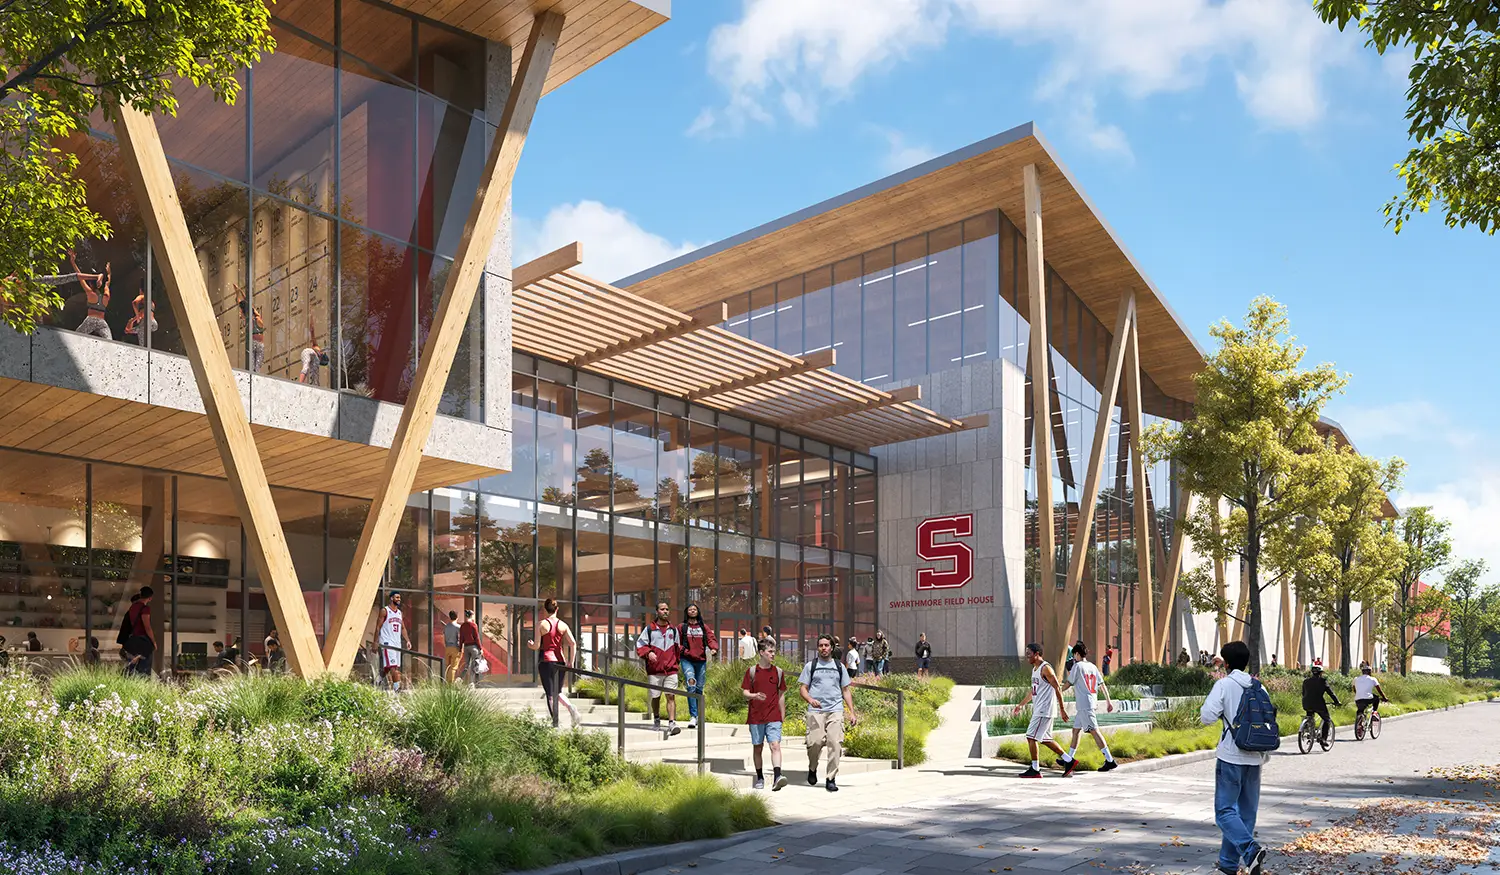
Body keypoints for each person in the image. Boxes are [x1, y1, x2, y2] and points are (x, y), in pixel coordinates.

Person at [1200, 641, 1269, 875]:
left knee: (1225, 812)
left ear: (1226, 663)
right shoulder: (1259, 687)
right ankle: (1228, 866)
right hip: (1256, 756)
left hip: (1231, 755)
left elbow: (1207, 716)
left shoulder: (1224, 684)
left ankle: (1250, 851)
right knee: (1246, 814)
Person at [799, 634, 858, 792]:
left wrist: (851, 712)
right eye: (821, 645)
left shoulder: (839, 667)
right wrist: (810, 700)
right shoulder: (811, 666)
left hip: (835, 710)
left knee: (835, 743)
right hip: (816, 711)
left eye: (826, 645)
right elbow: (803, 688)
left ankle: (831, 778)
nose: (823, 648)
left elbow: (846, 690)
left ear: (832, 647)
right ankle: (812, 768)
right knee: (814, 743)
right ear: (818, 648)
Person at [1058, 642, 1118, 775]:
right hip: (1087, 704)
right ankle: (1069, 758)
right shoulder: (1092, 666)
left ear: (1077, 654)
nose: (1073, 657)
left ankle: (1110, 760)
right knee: (1075, 731)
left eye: (1074, 654)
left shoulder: (1077, 666)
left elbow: (1068, 683)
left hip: (1085, 705)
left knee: (1095, 731)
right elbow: (1102, 685)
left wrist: (1058, 691)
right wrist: (1108, 701)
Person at [1012, 642, 1069, 778]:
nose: (1027, 657)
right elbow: (1033, 692)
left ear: (1037, 654)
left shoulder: (1046, 668)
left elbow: (1057, 688)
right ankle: (1069, 760)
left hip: (1044, 709)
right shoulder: (1035, 669)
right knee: (1044, 738)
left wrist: (1062, 709)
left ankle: (1035, 769)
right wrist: (1021, 705)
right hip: (1040, 709)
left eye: (1029, 654)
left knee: (1031, 736)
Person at [742, 637, 789, 791]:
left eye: (774, 652)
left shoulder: (778, 672)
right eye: (770, 652)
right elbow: (745, 692)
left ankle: (777, 776)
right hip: (756, 716)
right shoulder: (752, 671)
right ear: (761, 653)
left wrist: (782, 714)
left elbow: (781, 695)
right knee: (758, 747)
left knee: (775, 745)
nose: (773, 654)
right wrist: (755, 696)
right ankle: (760, 777)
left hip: (773, 715)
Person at [527, 598, 581, 728]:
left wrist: (530, 645)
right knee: (558, 692)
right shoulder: (563, 625)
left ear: (545, 610)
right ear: (557, 609)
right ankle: (570, 707)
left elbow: (537, 646)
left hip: (546, 661)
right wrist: (571, 661)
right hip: (560, 661)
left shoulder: (541, 624)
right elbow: (573, 643)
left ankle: (555, 723)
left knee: (550, 695)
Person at [636, 601, 683, 737]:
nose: (665, 611)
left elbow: (677, 649)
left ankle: (672, 723)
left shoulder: (673, 630)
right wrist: (648, 653)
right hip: (654, 671)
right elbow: (640, 645)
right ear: (657, 611)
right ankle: (656, 718)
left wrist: (676, 664)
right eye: (662, 609)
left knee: (670, 696)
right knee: (655, 697)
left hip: (671, 670)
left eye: (667, 609)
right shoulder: (649, 629)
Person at [678, 602, 717, 729]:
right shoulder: (682, 627)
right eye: (690, 609)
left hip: (701, 660)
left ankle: (700, 715)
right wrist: (684, 651)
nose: (693, 611)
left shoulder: (703, 627)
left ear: (698, 612)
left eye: (695, 609)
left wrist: (713, 648)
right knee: (691, 684)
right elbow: (676, 642)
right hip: (686, 659)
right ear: (687, 612)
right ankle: (693, 716)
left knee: (699, 687)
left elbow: (711, 638)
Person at [71, 251, 112, 339]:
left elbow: (80, 277)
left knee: (75, 337)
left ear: (90, 284)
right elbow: (108, 283)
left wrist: (73, 262)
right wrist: (109, 273)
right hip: (102, 322)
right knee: (109, 341)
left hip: (91, 320)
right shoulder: (106, 296)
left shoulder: (90, 294)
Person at [377, 592, 412, 692]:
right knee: (393, 668)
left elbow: (403, 628)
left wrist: (408, 640)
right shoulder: (385, 611)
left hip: (397, 643)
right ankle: (397, 690)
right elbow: (378, 627)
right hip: (387, 643)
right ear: (391, 598)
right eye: (397, 597)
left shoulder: (400, 613)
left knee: (390, 667)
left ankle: (378, 680)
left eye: (399, 597)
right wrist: (375, 642)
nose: (399, 599)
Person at [1300, 660, 1339, 748]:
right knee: (1327, 719)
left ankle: (1309, 730)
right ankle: (1323, 739)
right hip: (1319, 704)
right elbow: (1330, 693)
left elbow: (1303, 693)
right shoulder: (1322, 681)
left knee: (1310, 715)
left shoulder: (1305, 681)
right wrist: (1337, 701)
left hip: (1306, 703)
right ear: (1321, 673)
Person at [124, 587, 156, 677]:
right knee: (144, 669)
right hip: (143, 640)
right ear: (150, 598)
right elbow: (147, 626)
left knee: (132, 666)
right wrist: (153, 641)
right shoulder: (145, 609)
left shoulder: (132, 607)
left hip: (133, 639)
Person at [298, 313, 326, 385]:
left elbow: (316, 373)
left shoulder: (317, 360)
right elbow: (312, 332)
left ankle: (314, 384)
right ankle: (300, 383)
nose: (322, 353)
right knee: (306, 367)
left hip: (310, 355)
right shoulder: (316, 348)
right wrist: (311, 320)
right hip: (308, 352)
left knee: (313, 372)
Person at [1353, 662, 1384, 728]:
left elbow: (1354, 689)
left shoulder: (1356, 679)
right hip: (1368, 699)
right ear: (1370, 672)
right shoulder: (1373, 679)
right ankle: (1374, 713)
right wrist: (1384, 697)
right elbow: (1379, 690)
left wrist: (1359, 694)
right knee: (1377, 699)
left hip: (1358, 699)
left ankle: (1359, 725)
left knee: (1360, 710)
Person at [459, 609, 483, 686]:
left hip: (466, 647)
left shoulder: (462, 625)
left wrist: (460, 648)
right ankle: (471, 683)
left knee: (466, 665)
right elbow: (476, 638)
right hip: (473, 647)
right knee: (473, 665)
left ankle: (459, 679)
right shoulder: (473, 625)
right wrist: (480, 648)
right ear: (472, 616)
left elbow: (461, 638)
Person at [443, 610, 464, 684]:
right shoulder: (458, 627)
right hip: (455, 647)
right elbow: (461, 638)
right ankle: (450, 685)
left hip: (447, 647)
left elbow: (444, 638)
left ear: (449, 617)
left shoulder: (446, 627)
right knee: (453, 668)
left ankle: (446, 683)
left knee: (447, 667)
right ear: (457, 617)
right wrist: (461, 649)